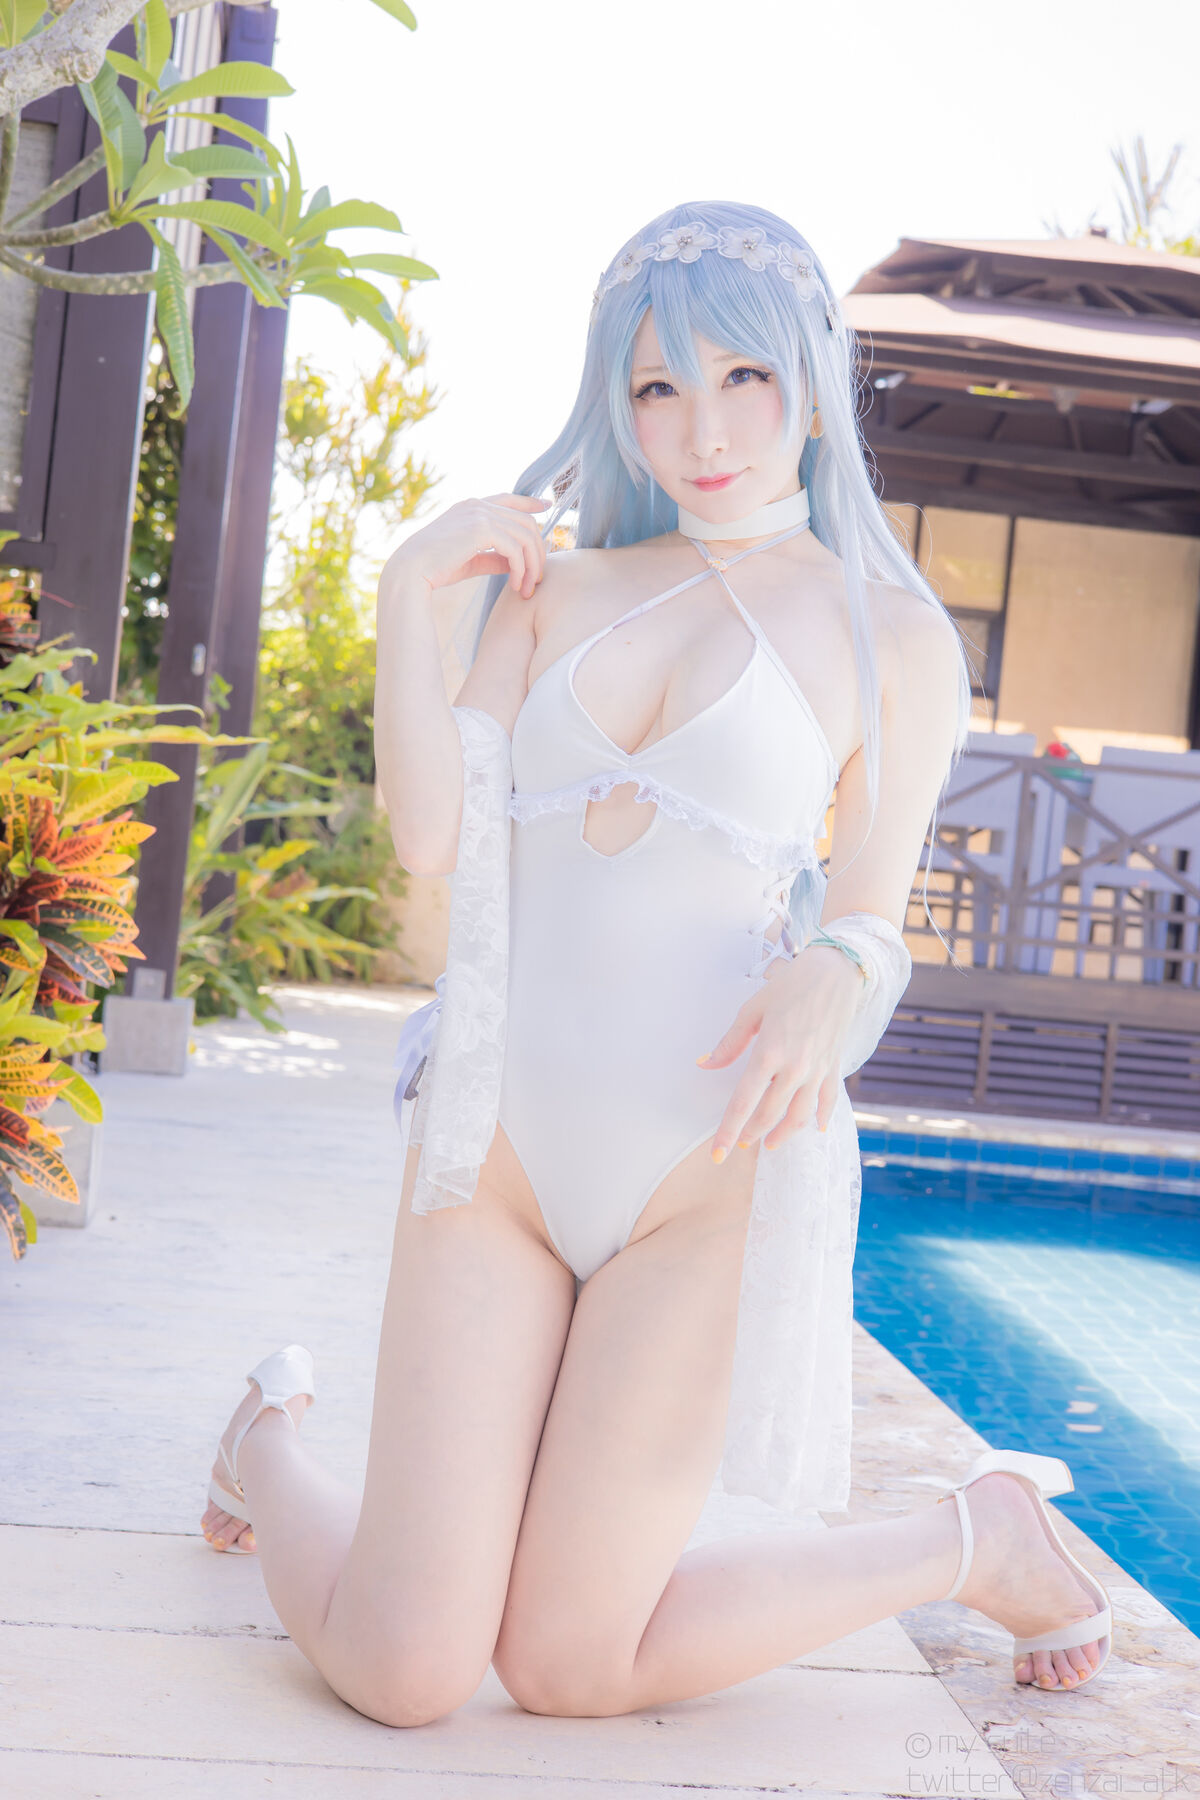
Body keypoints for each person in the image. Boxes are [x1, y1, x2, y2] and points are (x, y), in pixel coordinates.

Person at [200, 202, 1112, 1726]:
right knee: (406, 1669)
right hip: (493, 1150)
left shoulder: (889, 634)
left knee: (569, 1667)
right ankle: (265, 1439)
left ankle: (974, 1537)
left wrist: (838, 972)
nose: (706, 430)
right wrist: (408, 591)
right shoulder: (554, 590)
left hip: (706, 1179)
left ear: (810, 384)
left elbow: (873, 909)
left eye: (743, 377)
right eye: (658, 388)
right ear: (617, 405)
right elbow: (430, 837)